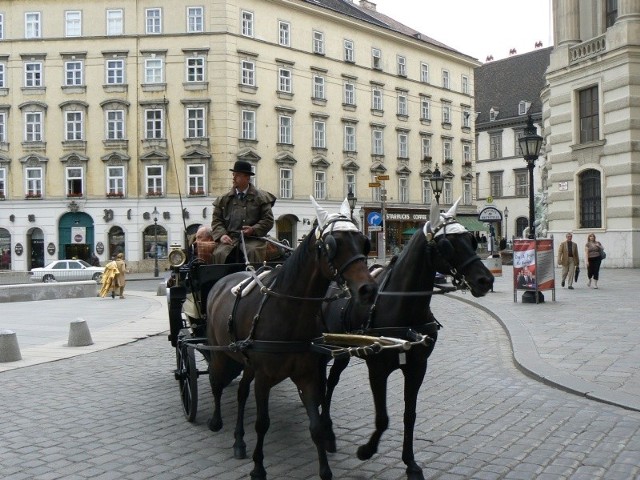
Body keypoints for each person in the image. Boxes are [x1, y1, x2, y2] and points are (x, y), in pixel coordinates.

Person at [211, 160, 275, 264]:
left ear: (247, 178)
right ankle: (219, 280)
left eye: (237, 175)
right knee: (219, 253)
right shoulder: (223, 199)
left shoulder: (261, 198)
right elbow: (216, 221)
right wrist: (222, 235)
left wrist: (253, 229)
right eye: (233, 174)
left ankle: (255, 278)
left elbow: (268, 220)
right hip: (230, 239)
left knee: (253, 252)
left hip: (254, 239)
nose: (233, 178)